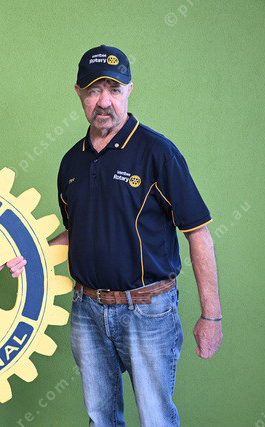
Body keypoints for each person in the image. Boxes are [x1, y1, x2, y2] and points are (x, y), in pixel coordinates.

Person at [46, 45, 223, 426]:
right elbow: (76, 232)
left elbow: (198, 234)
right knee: (100, 418)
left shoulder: (158, 153)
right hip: (87, 310)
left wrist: (211, 316)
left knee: (156, 418)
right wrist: (29, 253)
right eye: (94, 90)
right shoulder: (71, 162)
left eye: (114, 89)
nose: (104, 101)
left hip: (147, 310)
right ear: (79, 93)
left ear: (129, 89)